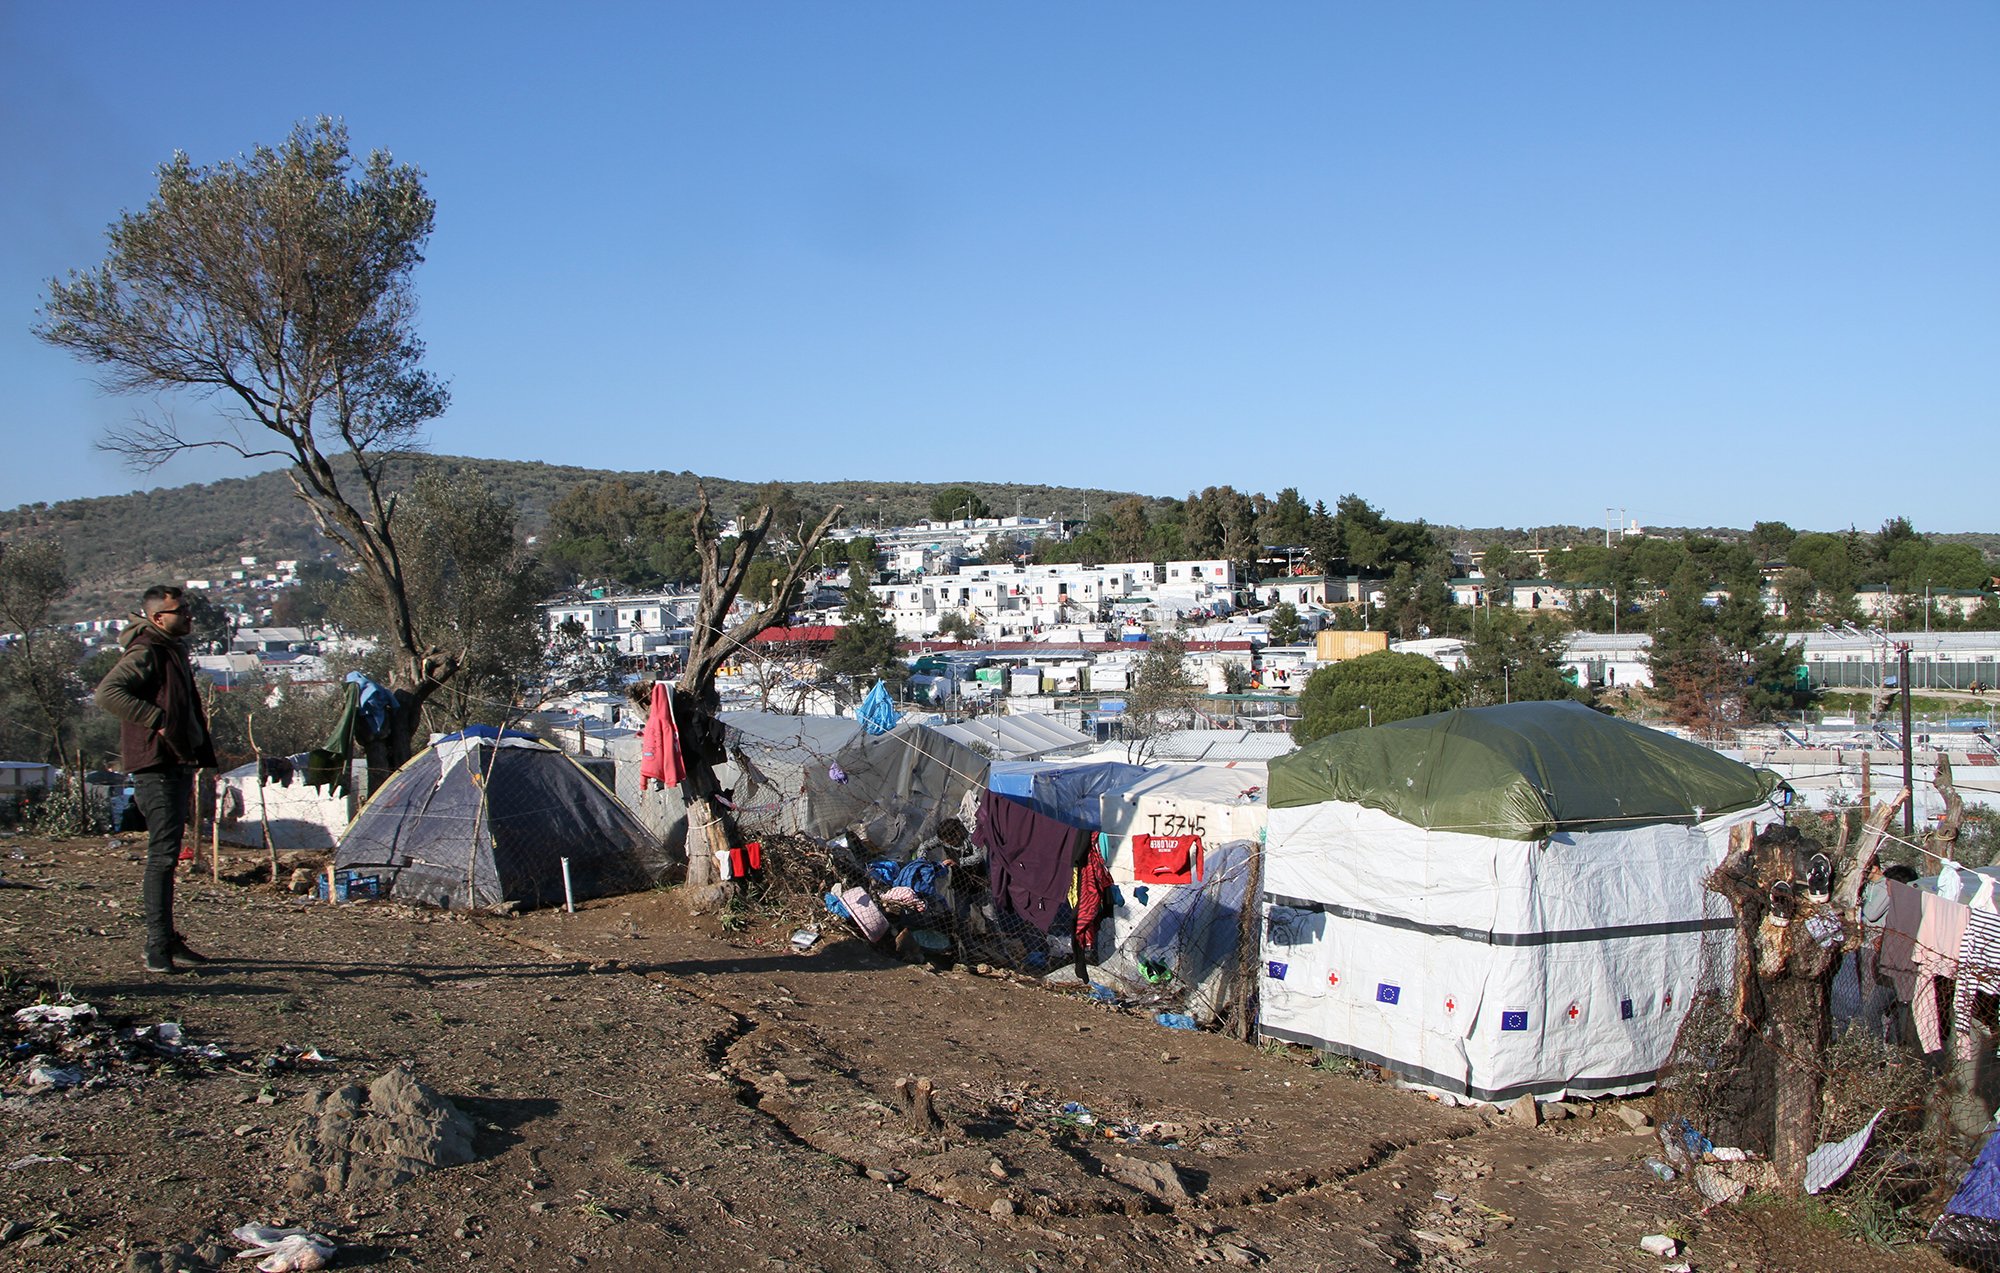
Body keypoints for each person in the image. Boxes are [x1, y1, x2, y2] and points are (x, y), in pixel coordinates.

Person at [94, 585, 218, 974]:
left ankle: (167, 940)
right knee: (162, 858)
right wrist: (158, 721)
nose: (188, 616)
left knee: (167, 855)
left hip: (175, 762)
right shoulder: (147, 649)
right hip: (156, 765)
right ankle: (156, 947)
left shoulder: (170, 649)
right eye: (180, 611)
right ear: (158, 617)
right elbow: (108, 693)